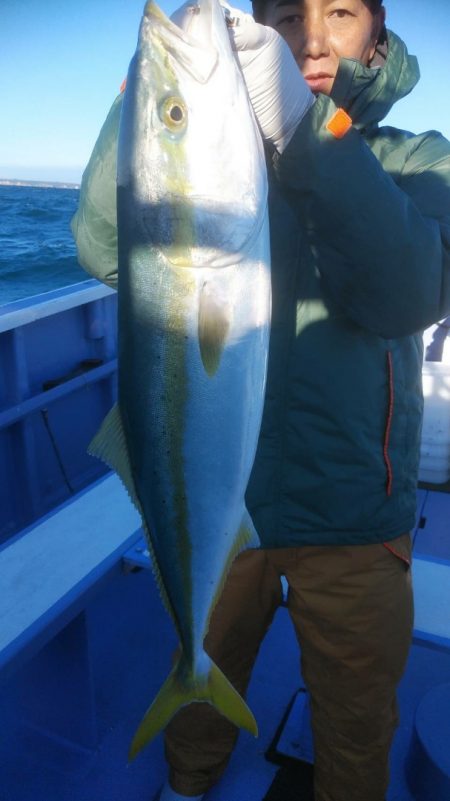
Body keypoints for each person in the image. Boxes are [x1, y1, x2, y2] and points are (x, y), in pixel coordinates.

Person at [71, 0, 450, 799]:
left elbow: (407, 293)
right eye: (284, 15)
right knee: (200, 693)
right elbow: (107, 247)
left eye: (339, 12)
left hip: (355, 510)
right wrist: (142, 102)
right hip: (223, 506)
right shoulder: (223, 159)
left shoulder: (416, 159)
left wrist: (311, 134)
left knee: (354, 717)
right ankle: (187, 782)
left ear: (377, 36)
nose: (309, 38)